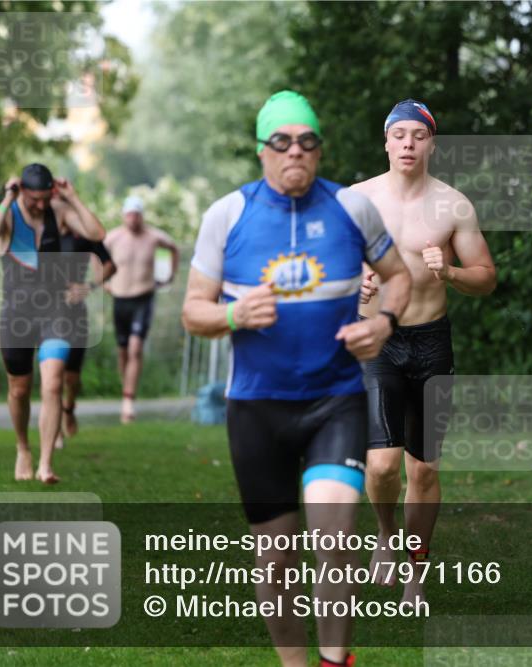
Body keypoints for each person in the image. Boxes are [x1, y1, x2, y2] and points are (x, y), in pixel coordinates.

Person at [182, 90, 411, 667]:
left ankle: (336, 661)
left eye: (307, 142)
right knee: (277, 558)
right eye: (281, 142)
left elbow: (399, 277)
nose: (295, 153)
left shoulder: (350, 209)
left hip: (334, 401)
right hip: (257, 409)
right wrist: (233, 315)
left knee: (333, 539)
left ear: (319, 150)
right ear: (262, 151)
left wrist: (383, 322)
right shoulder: (226, 215)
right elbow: (193, 310)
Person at [355, 100, 497, 603]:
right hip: (379, 341)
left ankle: (416, 567)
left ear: (431, 143)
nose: (409, 144)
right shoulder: (356, 201)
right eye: (400, 135)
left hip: (432, 342)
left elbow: (486, 277)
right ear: (387, 142)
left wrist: (452, 272)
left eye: (419, 135)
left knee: (426, 469)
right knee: (382, 466)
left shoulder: (453, 205)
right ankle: (385, 537)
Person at [0, 163, 106, 484]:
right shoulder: (6, 214)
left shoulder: (57, 211)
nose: (41, 205)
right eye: (35, 198)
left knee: (52, 383)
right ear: (22, 192)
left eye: (46, 197)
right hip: (17, 316)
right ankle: (23, 448)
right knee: (19, 390)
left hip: (55, 314)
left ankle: (46, 463)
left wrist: (72, 197)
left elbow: (97, 233)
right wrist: (7, 197)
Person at [104, 195, 179, 423]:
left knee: (136, 348)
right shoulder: (113, 238)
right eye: (129, 214)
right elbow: (96, 254)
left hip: (143, 297)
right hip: (120, 298)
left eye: (137, 214)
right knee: (123, 350)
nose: (133, 219)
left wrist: (169, 275)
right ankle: (125, 387)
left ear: (142, 215)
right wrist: (103, 281)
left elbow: (174, 248)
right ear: (123, 215)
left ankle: (129, 400)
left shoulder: (154, 237)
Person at [56, 219, 117, 445]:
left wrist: (88, 286)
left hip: (75, 312)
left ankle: (68, 409)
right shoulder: (40, 229)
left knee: (71, 377)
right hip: (47, 311)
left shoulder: (82, 235)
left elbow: (110, 265)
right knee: (53, 372)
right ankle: (54, 429)